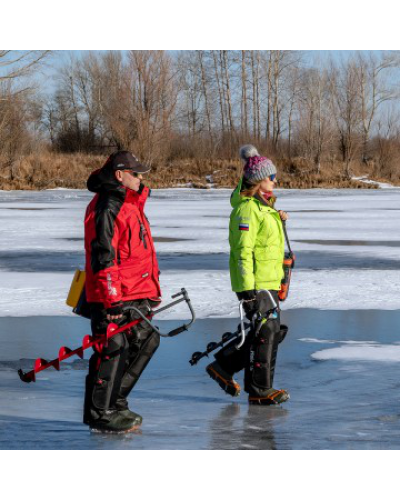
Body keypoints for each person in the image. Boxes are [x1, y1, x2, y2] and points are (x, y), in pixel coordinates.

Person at [83, 150, 161, 432]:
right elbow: (104, 258)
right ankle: (101, 413)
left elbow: (141, 253)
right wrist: (111, 301)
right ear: (120, 175)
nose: (141, 179)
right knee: (113, 348)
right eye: (136, 174)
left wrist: (152, 289)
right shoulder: (108, 206)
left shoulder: (131, 204)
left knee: (147, 339)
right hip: (113, 294)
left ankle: (115, 402)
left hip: (136, 290)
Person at [206, 144, 290, 406]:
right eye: (271, 177)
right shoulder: (247, 210)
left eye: (275, 176)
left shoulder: (265, 207)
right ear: (258, 180)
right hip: (256, 283)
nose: (275, 180)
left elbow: (269, 245)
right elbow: (242, 251)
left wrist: (279, 219)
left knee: (268, 331)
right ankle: (259, 390)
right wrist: (246, 289)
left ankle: (224, 368)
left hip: (270, 280)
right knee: (265, 332)